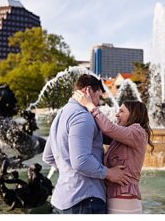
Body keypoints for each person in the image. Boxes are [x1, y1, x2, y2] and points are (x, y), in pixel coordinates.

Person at [42, 74, 134, 214]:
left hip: (62, 199)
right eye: (99, 97)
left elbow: (48, 156)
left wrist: (70, 172)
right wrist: (109, 173)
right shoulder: (82, 116)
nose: (98, 103)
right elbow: (81, 161)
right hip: (85, 200)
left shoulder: (60, 114)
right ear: (88, 90)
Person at [74, 90, 152, 214]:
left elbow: (108, 128)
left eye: (121, 111)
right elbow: (101, 132)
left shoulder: (137, 132)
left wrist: (90, 105)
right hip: (117, 199)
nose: (116, 114)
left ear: (134, 114)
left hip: (125, 200)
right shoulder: (123, 136)